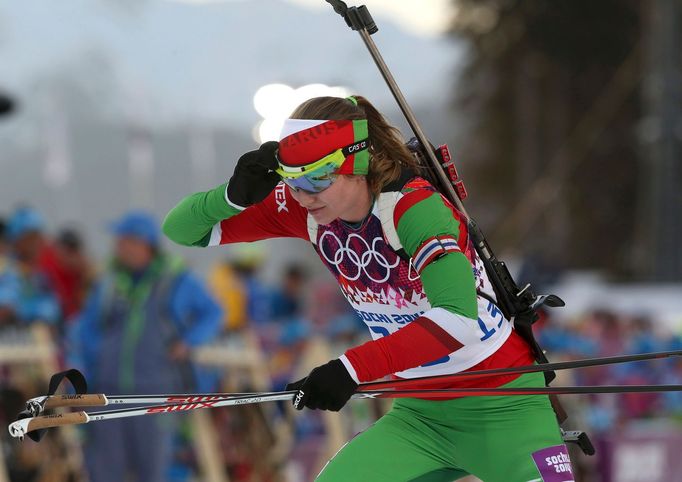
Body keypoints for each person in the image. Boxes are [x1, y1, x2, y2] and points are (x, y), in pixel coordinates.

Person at [163, 95, 574, 482]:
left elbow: (457, 321)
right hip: (420, 417)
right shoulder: (307, 209)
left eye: (319, 178)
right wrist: (233, 197)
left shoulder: (415, 209)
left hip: (506, 403)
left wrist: (350, 369)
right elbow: (181, 229)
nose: (304, 195)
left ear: (358, 162)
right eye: (293, 180)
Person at [69, 210, 222, 482]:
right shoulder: (109, 284)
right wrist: (84, 375)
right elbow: (86, 331)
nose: (117, 247)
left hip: (154, 394)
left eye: (123, 240)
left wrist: (189, 342)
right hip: (107, 394)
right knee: (105, 471)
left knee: (153, 471)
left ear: (143, 244)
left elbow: (212, 312)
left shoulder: (176, 281)